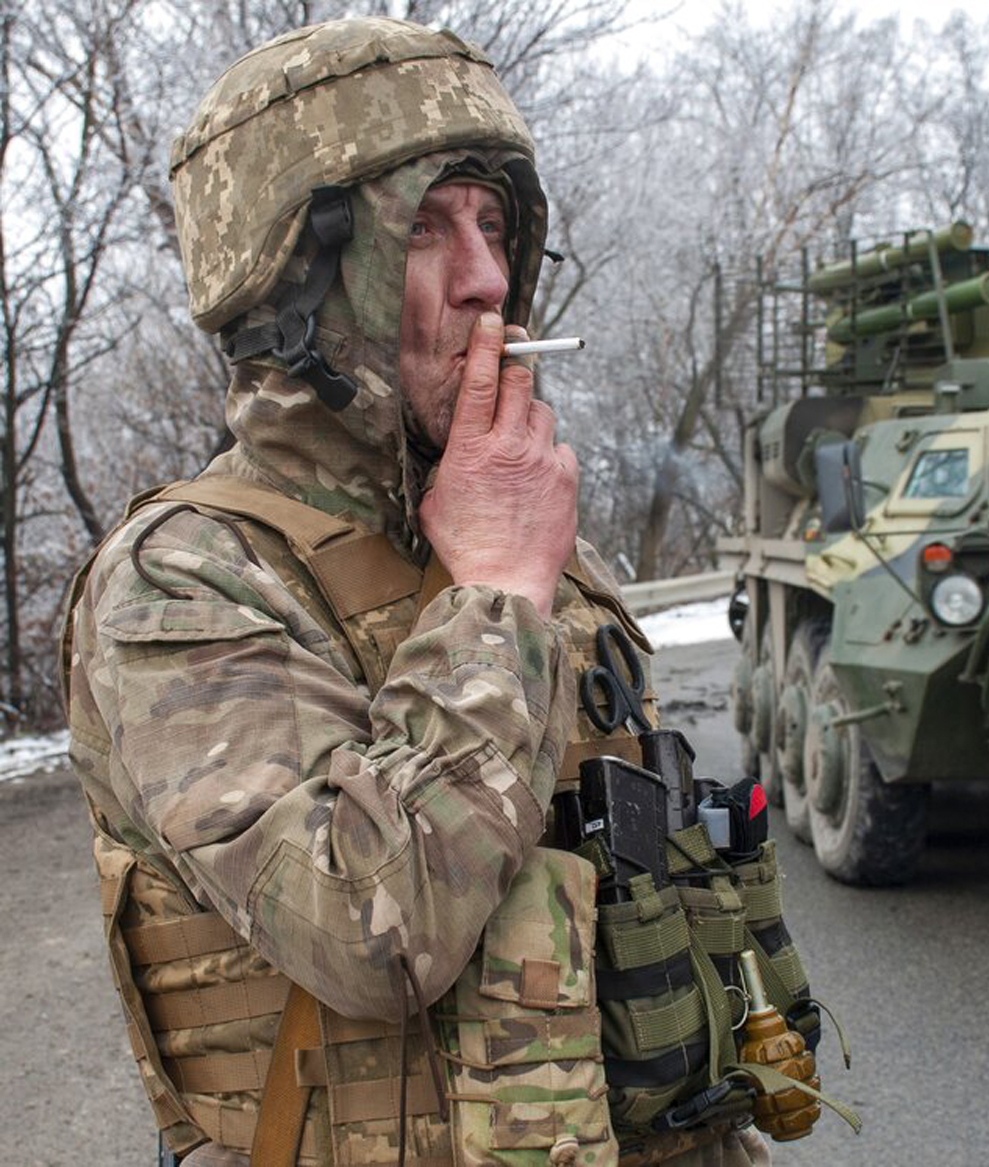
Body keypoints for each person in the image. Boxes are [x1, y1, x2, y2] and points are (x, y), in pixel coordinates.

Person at [64, 18, 777, 1167]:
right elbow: (368, 932)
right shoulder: (184, 576)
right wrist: (495, 597)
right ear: (300, 278)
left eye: (494, 225)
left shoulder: (530, 534)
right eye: (427, 228)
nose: (487, 279)